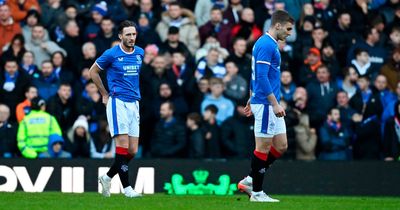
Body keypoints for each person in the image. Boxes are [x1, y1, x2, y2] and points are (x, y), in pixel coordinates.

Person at [237, 10, 294, 202]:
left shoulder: (267, 44)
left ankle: (250, 180)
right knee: (263, 147)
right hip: (268, 104)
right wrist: (274, 103)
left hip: (264, 100)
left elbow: (256, 74)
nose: (289, 33)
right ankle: (257, 193)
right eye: (288, 29)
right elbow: (260, 76)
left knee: (281, 145)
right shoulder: (267, 45)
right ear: (277, 25)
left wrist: (251, 96)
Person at [90, 20, 143, 198]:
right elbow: (93, 72)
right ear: (120, 36)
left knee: (132, 150)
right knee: (122, 146)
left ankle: (107, 177)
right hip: (117, 102)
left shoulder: (140, 53)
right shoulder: (111, 54)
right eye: (128, 34)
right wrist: (104, 93)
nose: (131, 38)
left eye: (133, 34)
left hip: (134, 103)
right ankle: (127, 189)